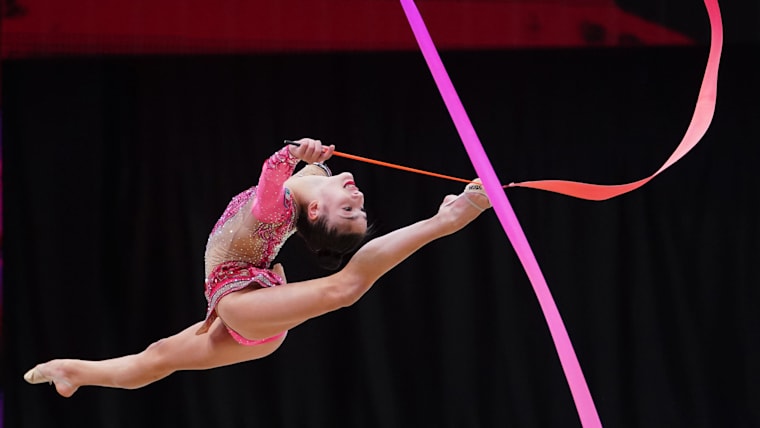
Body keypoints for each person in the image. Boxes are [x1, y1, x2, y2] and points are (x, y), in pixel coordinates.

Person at [23, 137, 492, 397]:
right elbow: (308, 174)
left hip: (241, 306)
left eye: (351, 211)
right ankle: (76, 373)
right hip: (250, 313)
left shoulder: (280, 204)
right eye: (358, 207)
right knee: (156, 358)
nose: (359, 197)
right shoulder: (317, 179)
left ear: (313, 216)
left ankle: (446, 219)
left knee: (343, 289)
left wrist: (290, 154)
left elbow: (272, 180)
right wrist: (308, 159)